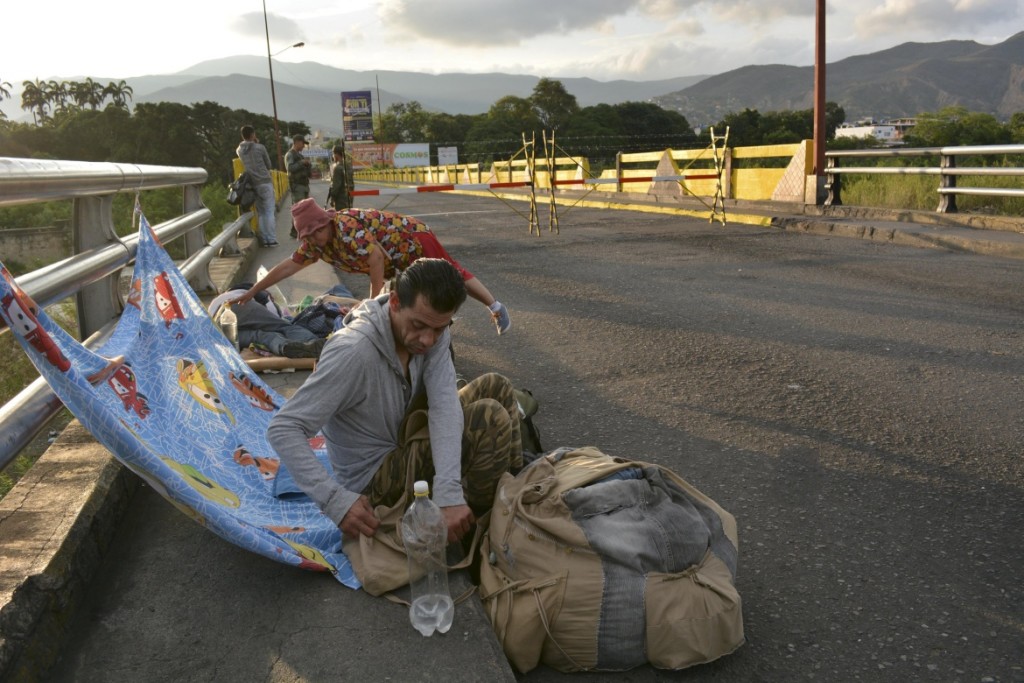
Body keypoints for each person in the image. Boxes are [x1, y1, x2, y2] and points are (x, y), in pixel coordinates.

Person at [267, 258, 523, 542]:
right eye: (418, 325)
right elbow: (284, 428)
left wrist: (448, 491)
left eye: (439, 328)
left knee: (497, 386)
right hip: (374, 478)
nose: (427, 340)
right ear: (395, 301)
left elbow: (444, 406)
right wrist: (336, 502)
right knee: (489, 418)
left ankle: (507, 495)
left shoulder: (433, 329)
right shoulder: (354, 353)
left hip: (404, 435)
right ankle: (483, 533)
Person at [232, 198, 512, 335]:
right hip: (398, 258)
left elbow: (375, 259)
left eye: (319, 230)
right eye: (310, 234)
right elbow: (286, 268)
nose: (316, 236)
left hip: (413, 239)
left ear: (327, 222)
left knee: (451, 274)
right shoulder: (317, 246)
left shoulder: (345, 226)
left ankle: (495, 306)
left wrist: (371, 300)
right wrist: (252, 291)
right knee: (416, 295)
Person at [209, 287, 326, 358]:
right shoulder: (258, 293)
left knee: (262, 337)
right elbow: (274, 321)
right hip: (239, 303)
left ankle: (284, 347)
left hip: (218, 327)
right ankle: (314, 342)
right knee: (283, 327)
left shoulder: (217, 299)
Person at [236, 125, 279, 247]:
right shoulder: (260, 148)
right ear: (253, 135)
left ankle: (264, 240)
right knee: (269, 211)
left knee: (261, 213)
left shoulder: (239, 150)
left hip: (253, 184)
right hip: (265, 181)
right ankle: (271, 239)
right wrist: (256, 143)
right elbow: (268, 165)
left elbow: (244, 152)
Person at [286, 134, 312, 238]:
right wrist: (302, 162)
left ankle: (298, 230)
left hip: (304, 184)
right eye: (302, 144)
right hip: (297, 186)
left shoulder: (299, 155)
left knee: (304, 209)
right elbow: (290, 168)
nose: (303, 146)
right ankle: (296, 230)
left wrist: (308, 165)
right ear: (296, 142)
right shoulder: (290, 155)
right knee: (299, 209)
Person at [326, 144, 354, 210]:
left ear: (336, 154)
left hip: (340, 200)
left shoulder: (337, 168)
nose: (333, 156)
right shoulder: (348, 166)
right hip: (349, 198)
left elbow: (336, 186)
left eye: (333, 154)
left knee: (341, 218)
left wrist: (332, 199)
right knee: (348, 217)